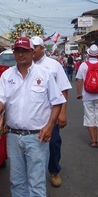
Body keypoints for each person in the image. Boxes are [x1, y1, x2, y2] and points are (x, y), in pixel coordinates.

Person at [0, 37, 65, 197]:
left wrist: (50, 126)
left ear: (32, 52)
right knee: (17, 181)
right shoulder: (7, 76)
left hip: (37, 137)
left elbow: (57, 101)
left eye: (24, 50)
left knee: (36, 182)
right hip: (13, 136)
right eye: (17, 51)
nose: (20, 54)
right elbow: (0, 99)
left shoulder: (44, 74)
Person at [31, 37, 71, 188]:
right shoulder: (26, 65)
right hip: (33, 114)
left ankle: (54, 171)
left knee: (53, 143)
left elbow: (63, 89)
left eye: (35, 47)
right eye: (31, 47)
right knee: (32, 143)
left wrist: (63, 113)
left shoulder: (54, 65)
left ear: (42, 48)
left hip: (50, 114)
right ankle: (34, 173)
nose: (32, 50)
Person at [76, 44, 98, 148]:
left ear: (88, 54)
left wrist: (79, 93)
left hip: (87, 95)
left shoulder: (83, 65)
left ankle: (93, 140)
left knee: (89, 116)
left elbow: (79, 81)